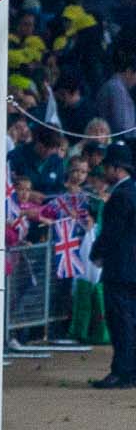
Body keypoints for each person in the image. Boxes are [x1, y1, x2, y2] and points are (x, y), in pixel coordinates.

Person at [90, 143, 136, 388]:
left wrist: (96, 254)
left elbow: (112, 233)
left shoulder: (121, 196)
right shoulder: (132, 191)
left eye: (108, 167)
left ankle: (122, 371)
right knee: (131, 321)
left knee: (121, 322)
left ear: (117, 169)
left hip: (121, 268)